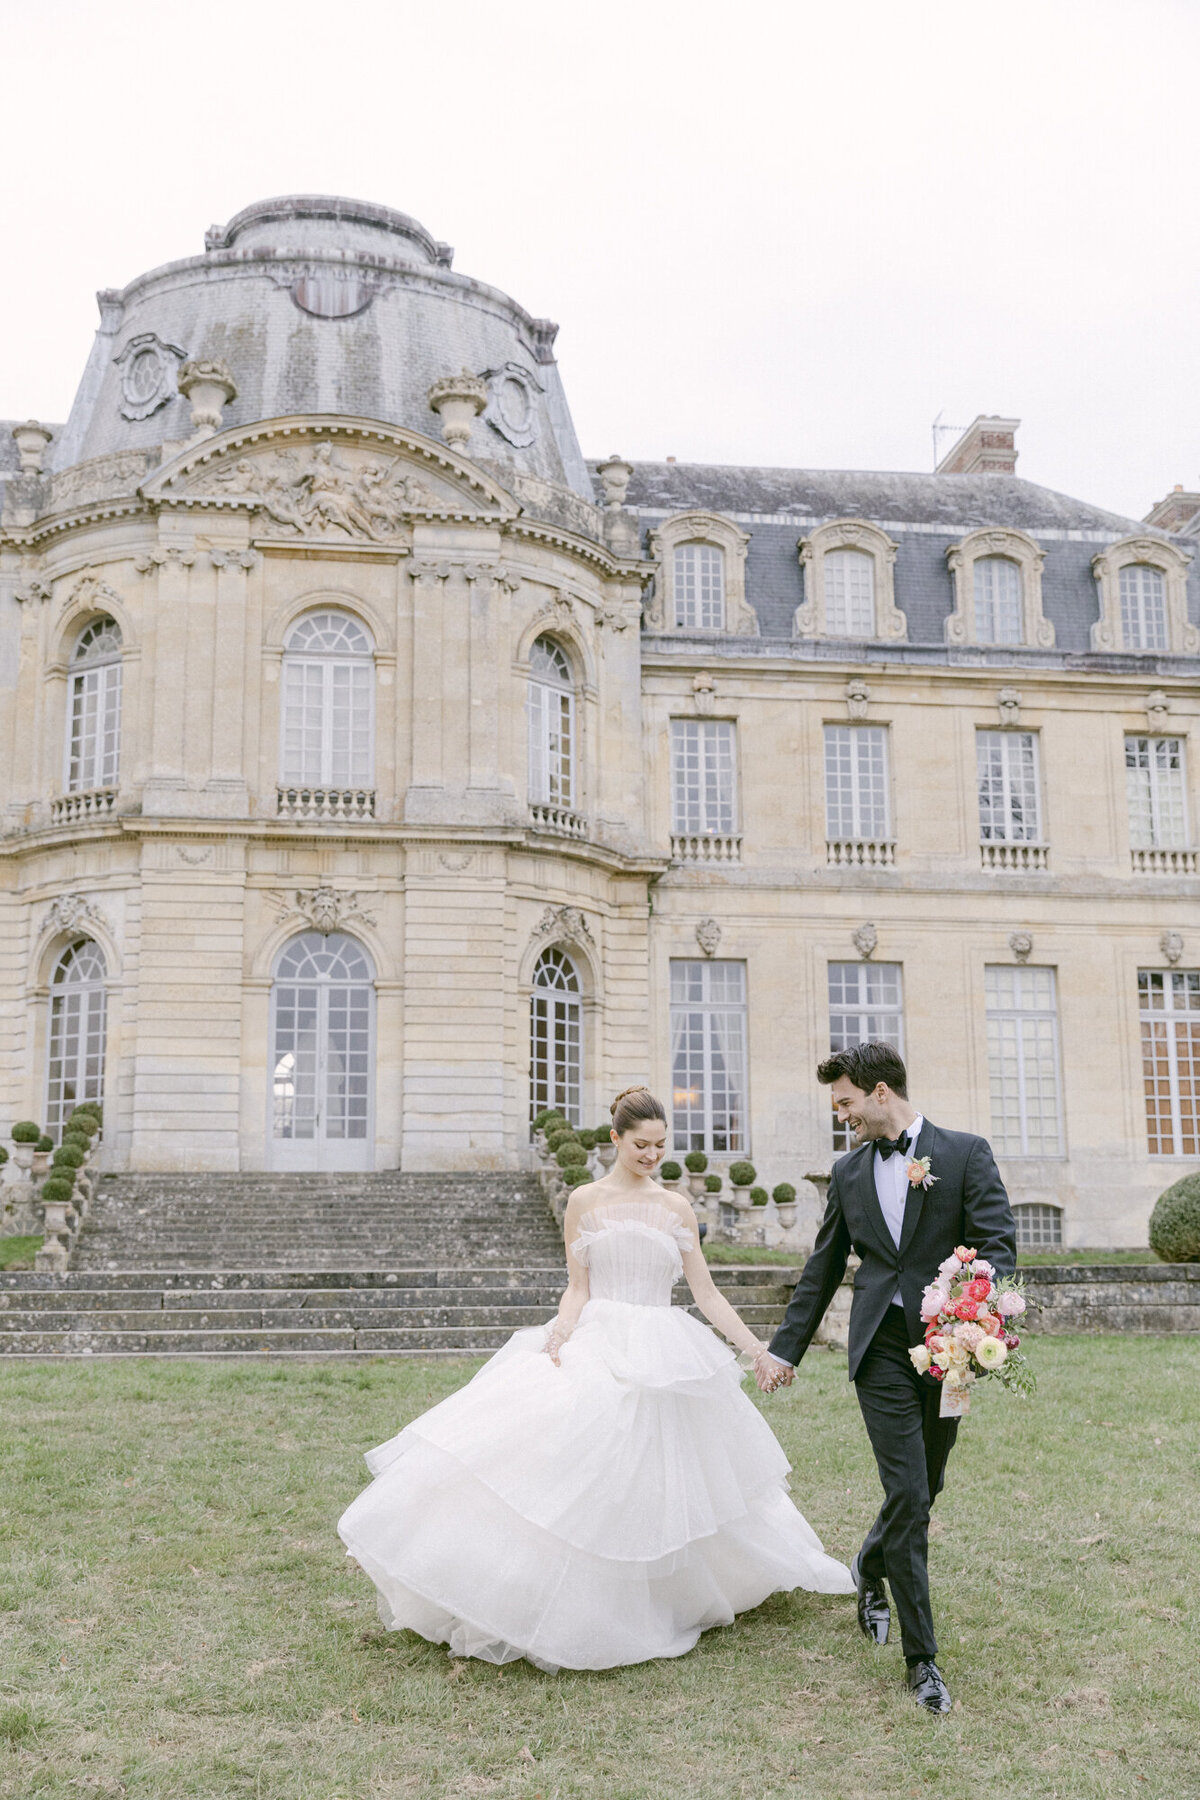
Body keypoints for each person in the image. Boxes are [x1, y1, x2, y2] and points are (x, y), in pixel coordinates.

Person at [338, 1085, 853, 1672]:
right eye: (641, 1144)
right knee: (579, 1462)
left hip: (664, 1345)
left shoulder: (677, 1207)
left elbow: (705, 1294)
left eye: (661, 1145)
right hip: (600, 1336)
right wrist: (561, 1332)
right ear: (615, 1138)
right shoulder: (584, 1201)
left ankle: (668, 1593)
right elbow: (577, 1287)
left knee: (671, 1471)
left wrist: (756, 1349)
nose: (652, 1155)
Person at [755, 1043, 1016, 1714]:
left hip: (950, 1354)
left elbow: (997, 1249)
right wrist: (785, 1350)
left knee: (923, 1489)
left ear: (878, 1093)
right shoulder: (847, 1173)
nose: (840, 1116)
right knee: (907, 1488)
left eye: (844, 1102)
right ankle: (922, 1659)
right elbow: (822, 1267)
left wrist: (974, 1324)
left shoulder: (964, 1154)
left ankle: (868, 1566)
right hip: (879, 1354)